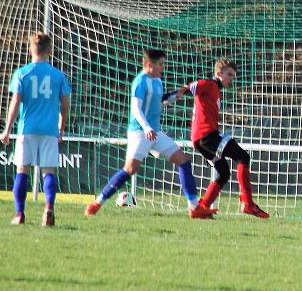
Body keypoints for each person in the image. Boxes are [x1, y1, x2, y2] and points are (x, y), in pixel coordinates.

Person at [84, 49, 214, 219]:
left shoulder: (158, 81)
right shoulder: (140, 82)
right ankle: (97, 203)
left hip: (155, 132)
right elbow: (136, 109)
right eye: (160, 64)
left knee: (183, 161)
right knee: (130, 169)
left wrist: (177, 95)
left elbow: (160, 101)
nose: (163, 68)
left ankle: (194, 208)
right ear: (148, 64)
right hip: (140, 132)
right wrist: (146, 127)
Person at [166, 57, 269, 218]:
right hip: (207, 135)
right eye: (229, 74)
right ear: (218, 73)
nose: (232, 79)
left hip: (201, 139)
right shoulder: (209, 84)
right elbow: (189, 87)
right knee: (243, 157)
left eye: (234, 76)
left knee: (224, 173)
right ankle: (248, 204)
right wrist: (170, 97)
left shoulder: (216, 90)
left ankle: (202, 208)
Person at [0, 32, 71, 226]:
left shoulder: (22, 73)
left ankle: (20, 214)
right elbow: (65, 106)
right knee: (49, 172)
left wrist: (7, 129)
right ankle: (48, 208)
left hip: (27, 129)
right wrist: (61, 128)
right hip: (49, 130)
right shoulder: (58, 76)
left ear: (31, 49)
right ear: (50, 50)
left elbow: (15, 102)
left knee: (22, 171)